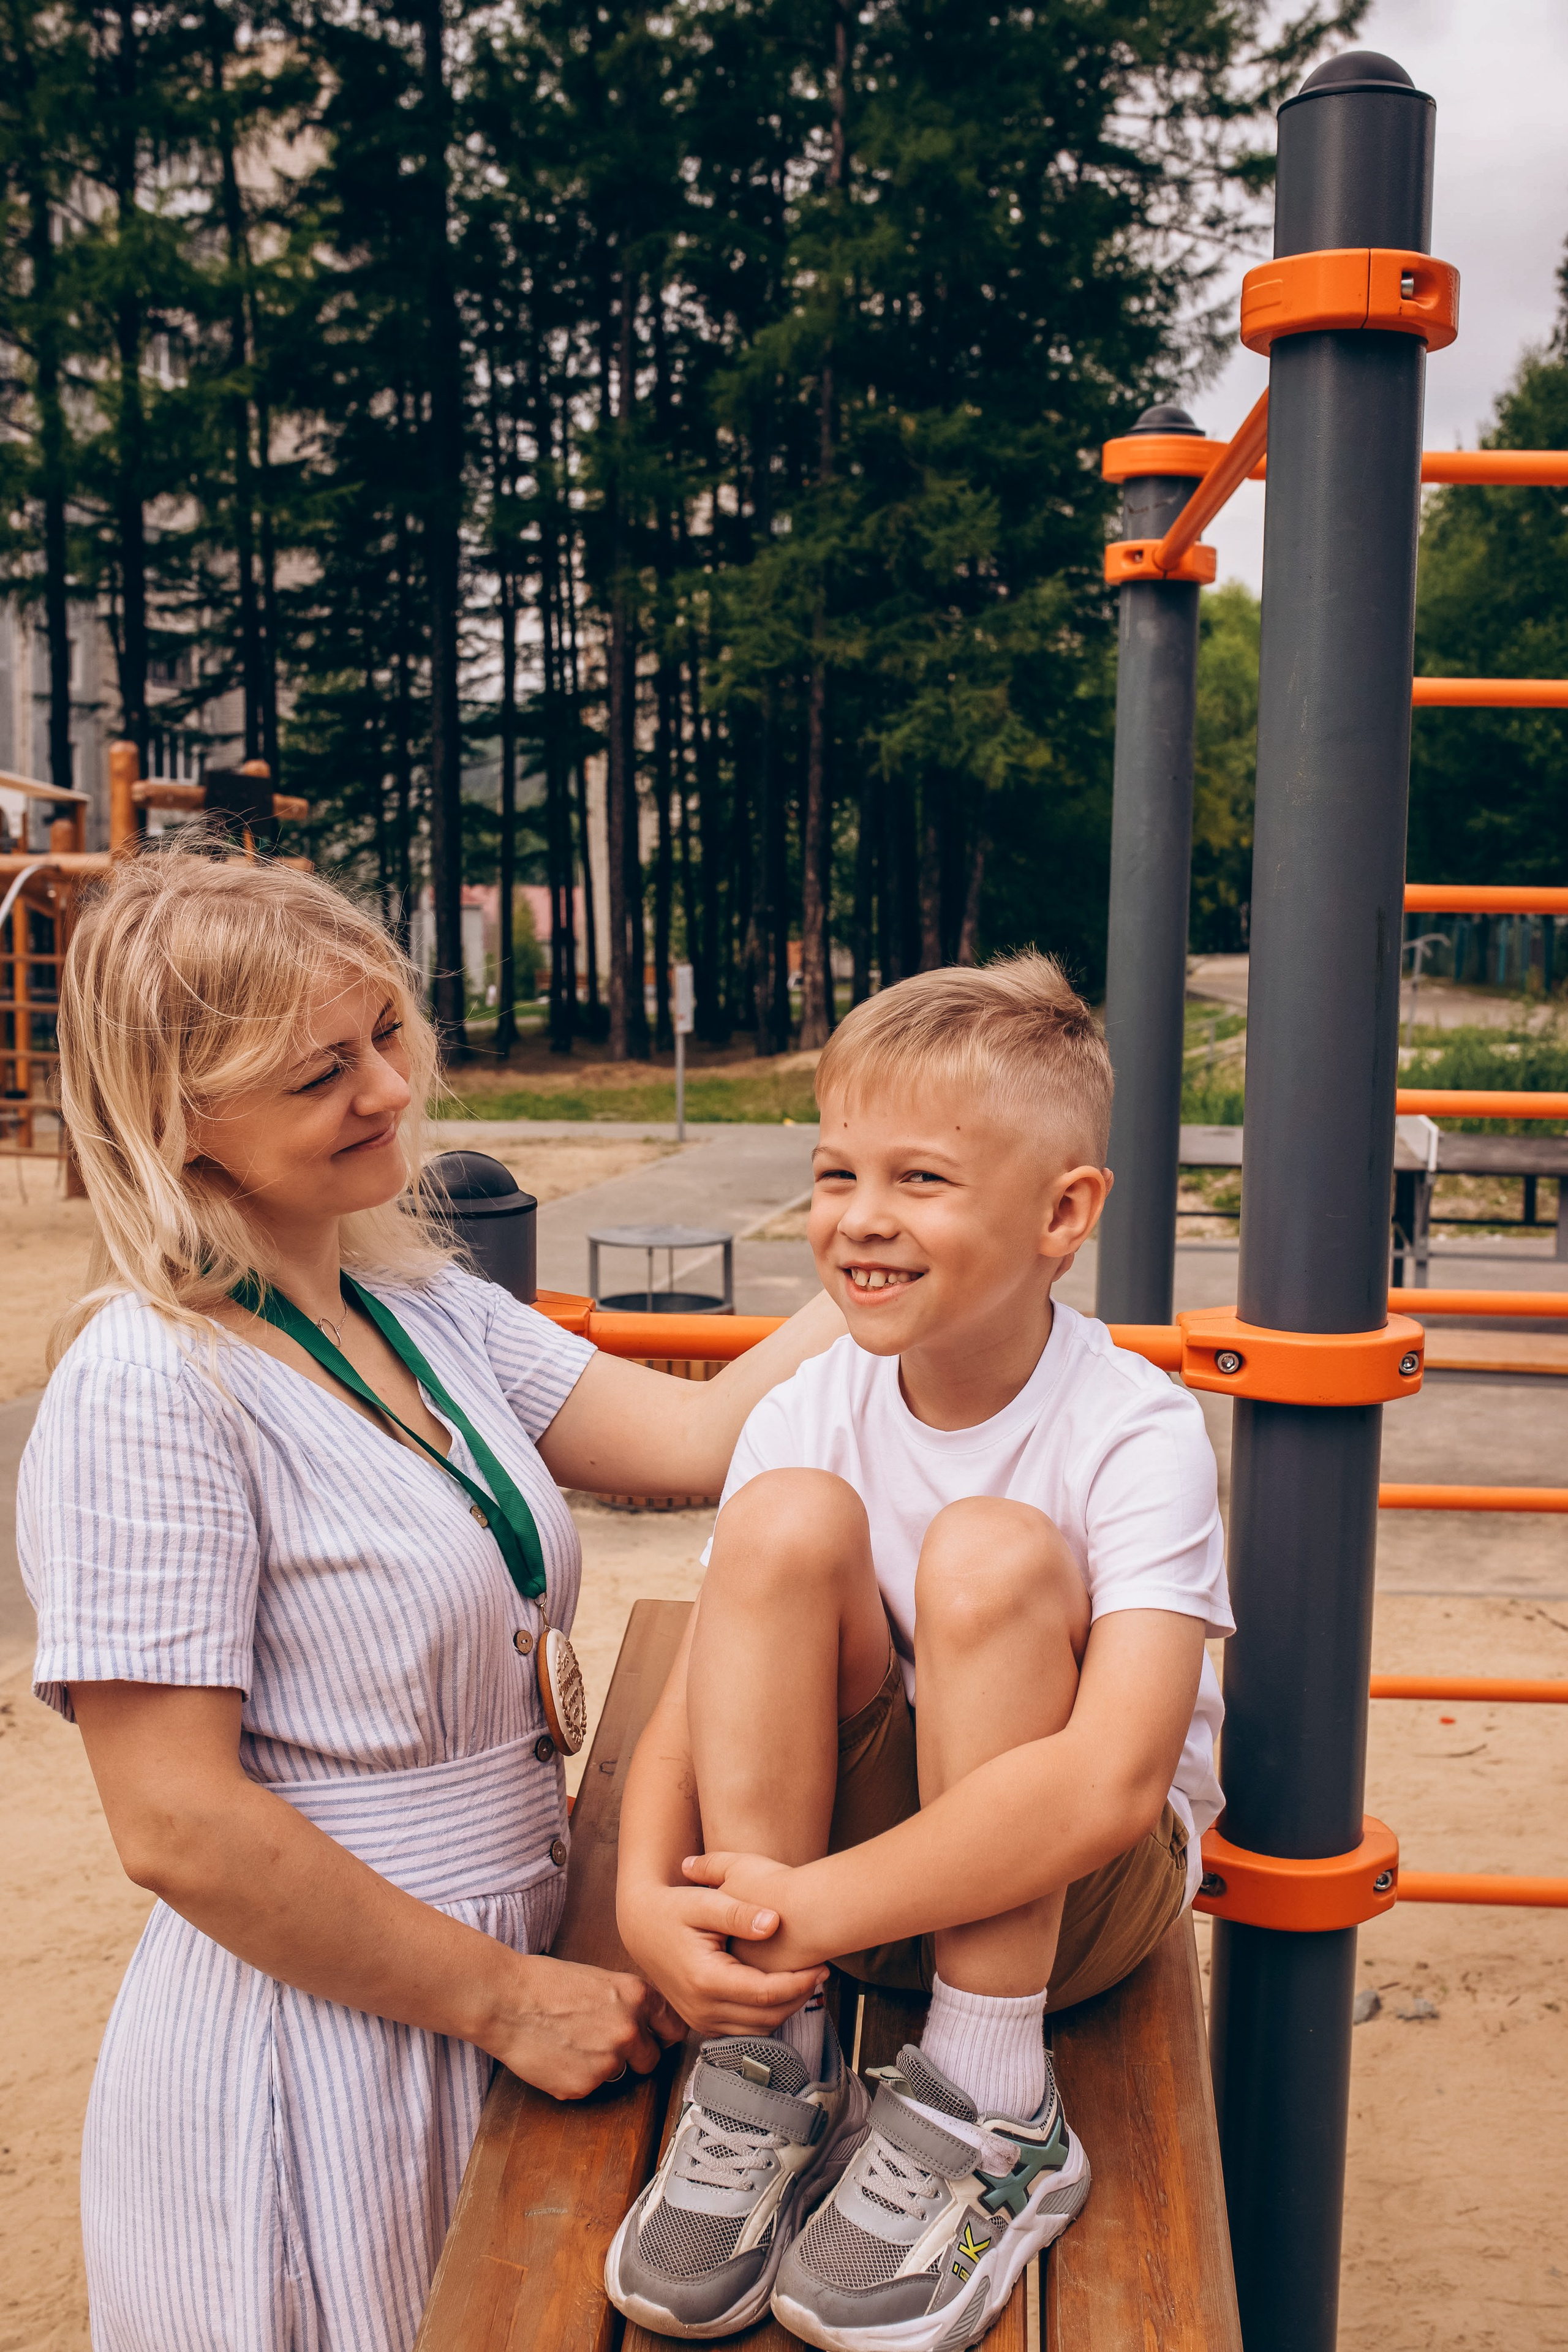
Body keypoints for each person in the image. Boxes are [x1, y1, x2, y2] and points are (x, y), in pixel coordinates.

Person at [18, 844, 842, 2352]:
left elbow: (691, 1440)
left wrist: (888, 1244)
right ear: (175, 1118)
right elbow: (177, 1824)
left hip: (508, 1964)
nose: (391, 1091)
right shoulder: (148, 1381)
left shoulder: (411, 1300)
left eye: (387, 1033)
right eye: (320, 1072)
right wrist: (504, 2000)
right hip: (321, 2032)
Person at [606, 953, 1232, 2352]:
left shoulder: (1131, 1429)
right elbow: (689, 1717)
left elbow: (1110, 1786)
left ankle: (993, 2100)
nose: (861, 1219)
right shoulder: (808, 1409)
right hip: (822, 1908)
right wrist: (648, 1903)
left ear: (1062, 1213)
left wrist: (808, 1909)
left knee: (988, 1556)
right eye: (836, 1174)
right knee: (780, 1522)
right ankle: (770, 2063)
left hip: (1068, 1901)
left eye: (922, 1179)